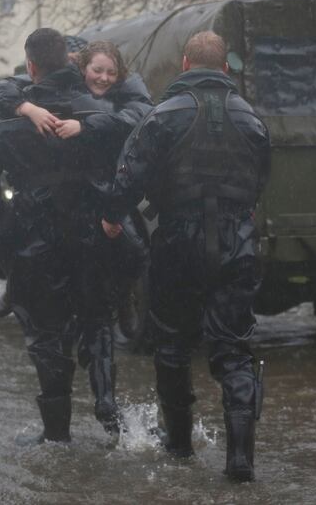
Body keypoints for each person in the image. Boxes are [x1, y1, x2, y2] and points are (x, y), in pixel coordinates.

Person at [101, 31, 271, 481]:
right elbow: (260, 180)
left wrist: (112, 216)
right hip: (236, 240)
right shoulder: (252, 118)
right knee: (233, 349)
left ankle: (178, 446)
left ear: (184, 65)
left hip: (178, 239)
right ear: (226, 69)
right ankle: (240, 460)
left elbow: (128, 175)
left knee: (173, 343)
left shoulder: (162, 116)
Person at [0, 28, 135, 443]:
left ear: (31, 67)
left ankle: (57, 433)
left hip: (35, 236)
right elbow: (133, 163)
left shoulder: (6, 122)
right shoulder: (104, 112)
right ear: (72, 62)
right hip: (92, 230)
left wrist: (5, 218)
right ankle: (106, 401)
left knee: (46, 329)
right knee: (97, 318)